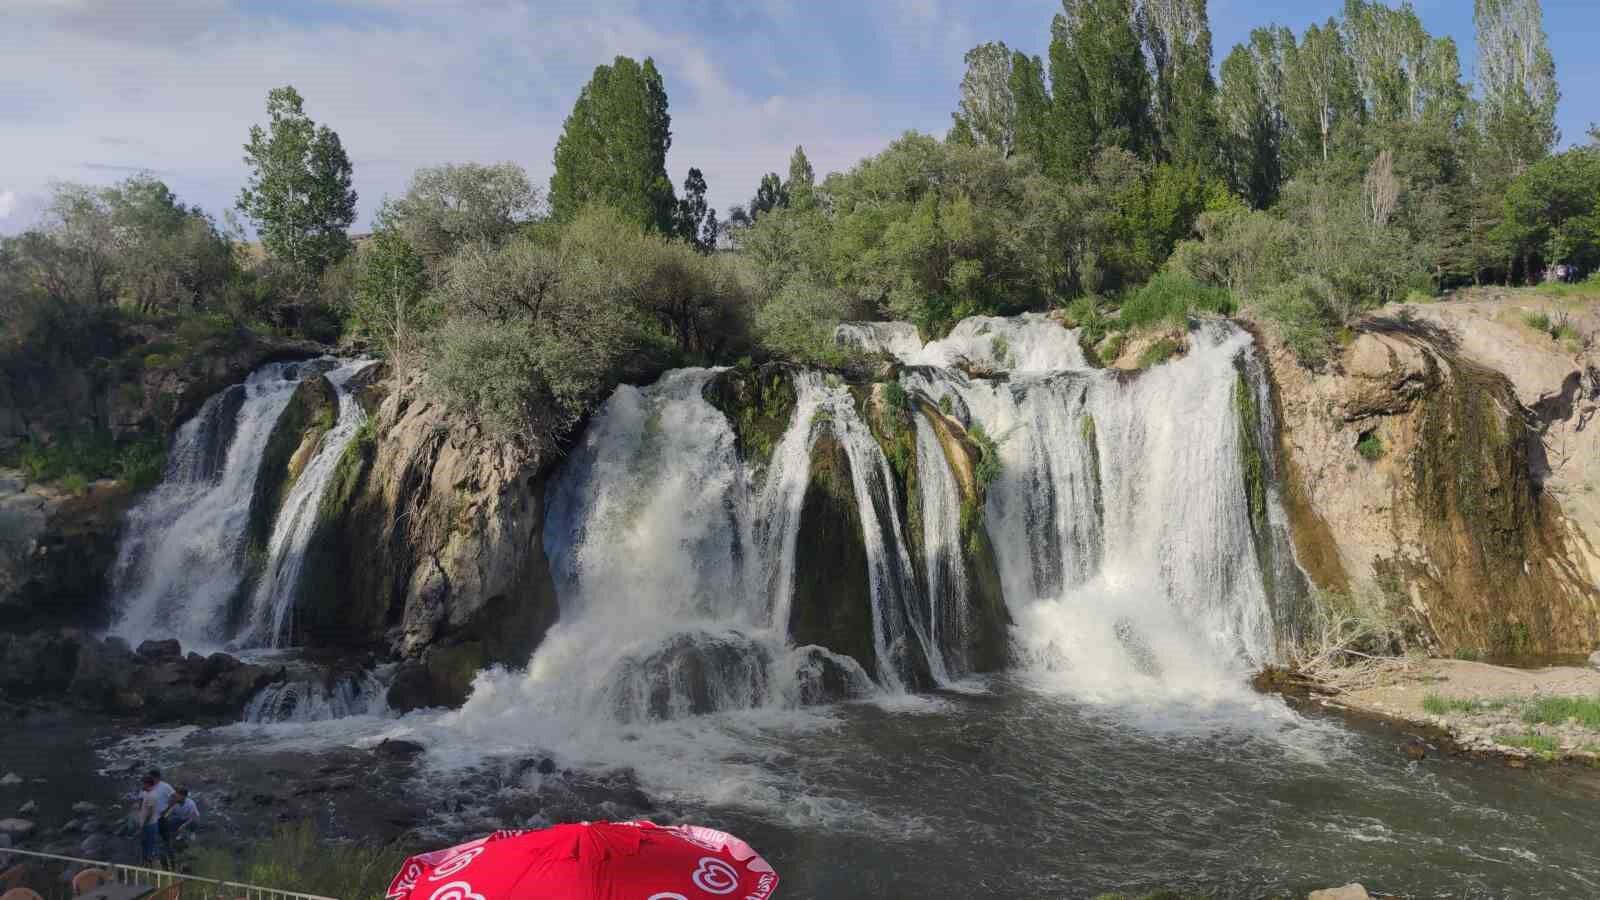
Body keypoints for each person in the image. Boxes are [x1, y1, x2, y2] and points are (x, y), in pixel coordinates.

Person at [158, 787, 200, 869]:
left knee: (191, 824)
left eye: (178, 796)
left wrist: (184, 826)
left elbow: (195, 817)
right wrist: (169, 807)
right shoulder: (174, 803)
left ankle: (189, 835)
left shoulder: (190, 804)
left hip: (190, 820)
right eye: (176, 795)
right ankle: (170, 838)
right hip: (179, 819)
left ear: (183, 796)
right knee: (169, 822)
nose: (176, 797)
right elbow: (166, 814)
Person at [135, 774, 161, 865]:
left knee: (150, 845)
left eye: (143, 784)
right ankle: (145, 862)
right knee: (144, 844)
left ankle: (150, 864)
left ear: (148, 784)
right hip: (147, 824)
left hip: (149, 825)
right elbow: (141, 803)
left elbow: (150, 813)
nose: (142, 786)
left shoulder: (152, 796)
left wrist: (144, 824)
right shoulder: (147, 793)